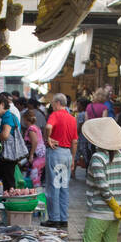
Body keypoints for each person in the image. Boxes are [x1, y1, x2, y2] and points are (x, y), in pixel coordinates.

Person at [44, 93, 78, 227]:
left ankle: (54, 218)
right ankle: (63, 218)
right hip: (67, 154)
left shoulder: (55, 115)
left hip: (56, 152)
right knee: (64, 187)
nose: (52, 106)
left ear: (58, 103)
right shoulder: (72, 119)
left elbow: (48, 127)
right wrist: (73, 158)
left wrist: (48, 138)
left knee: (53, 186)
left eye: (52, 103)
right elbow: (75, 141)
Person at [0, 93, 25, 196]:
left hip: (8, 156)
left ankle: (8, 203)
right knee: (4, 179)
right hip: (9, 155)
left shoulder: (7, 116)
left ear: (2, 104)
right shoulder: (10, 116)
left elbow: (5, 135)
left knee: (8, 181)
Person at [23, 107, 46, 188]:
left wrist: (31, 155)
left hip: (37, 156)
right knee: (37, 175)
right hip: (41, 155)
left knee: (35, 176)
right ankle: (37, 194)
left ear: (26, 119)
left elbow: (34, 141)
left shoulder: (31, 129)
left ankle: (37, 195)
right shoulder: (36, 127)